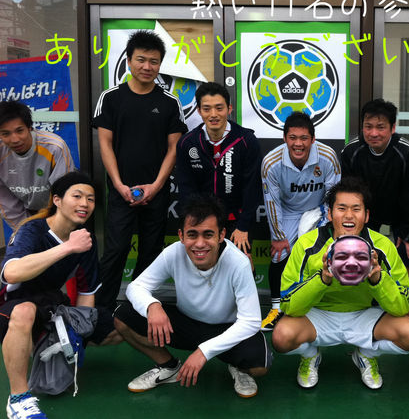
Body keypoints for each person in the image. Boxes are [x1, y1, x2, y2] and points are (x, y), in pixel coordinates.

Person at [114, 194, 271, 398]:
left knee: (260, 365)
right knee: (123, 317)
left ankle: (238, 367)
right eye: (192, 235)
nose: (199, 244)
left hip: (226, 328)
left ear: (221, 235)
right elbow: (136, 287)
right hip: (186, 324)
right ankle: (168, 367)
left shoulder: (238, 262)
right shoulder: (173, 253)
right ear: (181, 235)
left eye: (208, 234)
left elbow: (250, 321)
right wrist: (152, 306)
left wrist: (204, 351)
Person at [272, 177, 409, 390]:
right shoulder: (307, 244)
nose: (349, 215)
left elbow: (403, 306)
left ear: (366, 215)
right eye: (341, 208)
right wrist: (322, 279)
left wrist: (377, 280)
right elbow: (288, 304)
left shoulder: (382, 246)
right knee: (281, 337)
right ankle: (310, 355)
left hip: (364, 316)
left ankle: (367, 355)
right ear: (330, 214)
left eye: (356, 209)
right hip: (319, 316)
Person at [1, 172, 118, 419]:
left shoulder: (84, 238)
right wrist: (68, 247)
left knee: (119, 327)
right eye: (77, 196)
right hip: (9, 308)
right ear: (57, 200)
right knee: (25, 311)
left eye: (91, 199)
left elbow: (86, 292)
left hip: (49, 305)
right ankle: (18, 399)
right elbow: (11, 273)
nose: (85, 204)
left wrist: (78, 339)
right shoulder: (33, 229)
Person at [93, 30, 187, 312]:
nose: (147, 67)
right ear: (129, 61)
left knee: (150, 252)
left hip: (156, 192)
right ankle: (102, 312)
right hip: (120, 191)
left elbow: (174, 149)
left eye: (154, 61)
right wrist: (119, 185)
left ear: (160, 65)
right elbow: (105, 144)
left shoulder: (169, 102)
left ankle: (137, 310)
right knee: (115, 250)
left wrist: (155, 187)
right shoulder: (111, 98)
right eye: (141, 60)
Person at [260, 111, 341, 331]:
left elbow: (333, 196)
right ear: (284, 138)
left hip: (319, 210)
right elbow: (272, 202)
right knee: (280, 255)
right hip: (288, 212)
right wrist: (278, 236)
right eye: (293, 138)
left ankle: (318, 306)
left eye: (304, 138)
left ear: (313, 139)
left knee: (321, 252)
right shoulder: (271, 162)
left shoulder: (327, 156)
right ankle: (276, 308)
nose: (298, 144)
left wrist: (327, 226)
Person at [341, 99, 409, 290]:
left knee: (406, 254)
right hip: (366, 210)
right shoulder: (351, 151)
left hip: (400, 210)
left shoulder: (408, 153)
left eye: (381, 127)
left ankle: (406, 299)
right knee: (360, 254)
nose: (374, 133)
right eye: (368, 127)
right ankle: (366, 298)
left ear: (392, 128)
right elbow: (347, 193)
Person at [176, 82, 261, 258]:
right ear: (199, 111)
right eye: (207, 109)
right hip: (202, 222)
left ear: (229, 109)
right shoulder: (187, 143)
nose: (213, 114)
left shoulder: (246, 140)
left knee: (243, 265)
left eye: (219, 108)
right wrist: (193, 226)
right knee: (204, 268)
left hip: (236, 223)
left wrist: (243, 226)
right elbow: (186, 190)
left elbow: (252, 188)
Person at [0, 101, 75, 232]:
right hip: (26, 214)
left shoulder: (55, 147)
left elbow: (64, 194)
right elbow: (7, 203)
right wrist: (27, 230)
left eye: (19, 131)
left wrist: (53, 230)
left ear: (30, 127)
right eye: (6, 134)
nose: (15, 139)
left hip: (59, 212)